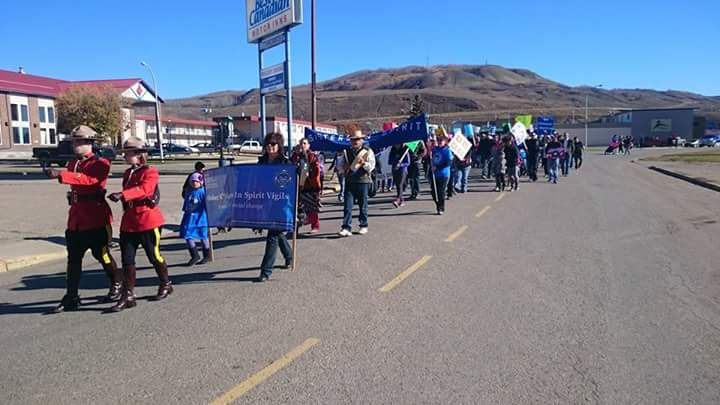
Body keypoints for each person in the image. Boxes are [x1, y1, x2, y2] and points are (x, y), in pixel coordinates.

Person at [43, 125, 121, 313]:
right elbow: (76, 182)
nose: (76, 145)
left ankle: (117, 284)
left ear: (90, 143)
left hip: (96, 216)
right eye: (75, 142)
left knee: (101, 254)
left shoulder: (101, 162)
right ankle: (71, 296)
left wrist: (62, 174)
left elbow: (90, 180)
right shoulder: (73, 163)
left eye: (80, 142)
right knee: (74, 259)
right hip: (77, 217)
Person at [107, 137, 171, 312]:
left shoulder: (150, 172)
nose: (125, 156)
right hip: (130, 221)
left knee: (154, 255)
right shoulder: (128, 173)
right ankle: (128, 295)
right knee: (127, 259)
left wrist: (123, 195)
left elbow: (145, 190)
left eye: (128, 153)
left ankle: (166, 283)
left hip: (147, 219)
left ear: (139, 154)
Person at [256, 132, 293, 282]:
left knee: (272, 235)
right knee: (277, 233)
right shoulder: (261, 162)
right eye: (268, 144)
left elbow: (290, 183)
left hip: (280, 203)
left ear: (279, 146)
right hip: (265, 202)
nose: (270, 147)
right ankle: (289, 256)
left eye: (273, 144)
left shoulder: (285, 163)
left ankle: (266, 271)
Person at [340, 130, 376, 236]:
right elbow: (340, 165)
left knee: (363, 205)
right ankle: (346, 227)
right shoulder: (346, 152)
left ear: (362, 140)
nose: (355, 142)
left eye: (357, 139)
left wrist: (364, 163)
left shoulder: (367, 151)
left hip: (363, 181)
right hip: (350, 180)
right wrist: (343, 168)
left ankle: (363, 225)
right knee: (347, 206)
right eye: (353, 140)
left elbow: (371, 167)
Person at [291, 138, 322, 233]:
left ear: (308, 145)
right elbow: (290, 165)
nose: (302, 145)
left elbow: (317, 168)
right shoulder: (295, 156)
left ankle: (315, 225)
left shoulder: (312, 156)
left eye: (304, 143)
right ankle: (294, 229)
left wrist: (310, 173)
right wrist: (295, 155)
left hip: (309, 185)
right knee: (296, 208)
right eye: (301, 143)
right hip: (297, 185)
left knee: (311, 207)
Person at [180, 172, 210, 266]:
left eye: (196, 181)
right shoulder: (189, 191)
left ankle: (207, 255)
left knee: (203, 236)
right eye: (192, 181)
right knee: (187, 235)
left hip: (201, 218)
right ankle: (194, 255)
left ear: (200, 182)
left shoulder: (202, 192)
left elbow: (207, 205)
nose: (194, 183)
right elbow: (186, 203)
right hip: (189, 218)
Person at [430, 131, 452, 214]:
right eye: (438, 140)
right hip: (435, 174)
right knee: (433, 192)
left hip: (444, 174)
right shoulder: (435, 149)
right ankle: (438, 204)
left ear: (444, 141)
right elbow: (432, 159)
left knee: (441, 191)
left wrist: (438, 167)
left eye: (441, 140)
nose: (439, 142)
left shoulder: (447, 150)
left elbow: (449, 162)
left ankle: (441, 207)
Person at [388, 143, 410, 207]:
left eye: (397, 144)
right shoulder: (393, 150)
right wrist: (395, 162)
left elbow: (408, 162)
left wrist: (401, 164)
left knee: (400, 184)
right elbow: (389, 161)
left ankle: (397, 200)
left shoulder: (405, 150)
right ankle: (402, 200)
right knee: (398, 185)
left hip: (403, 170)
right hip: (394, 169)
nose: (396, 145)